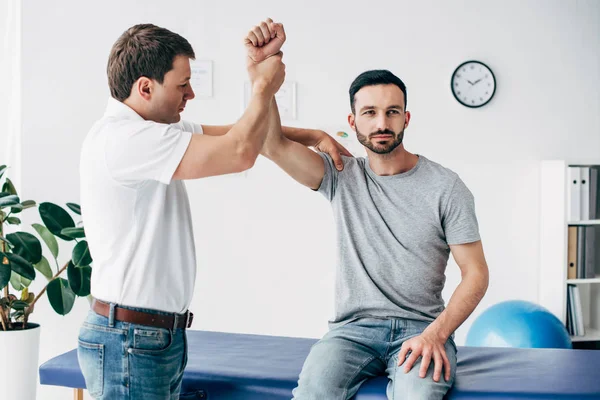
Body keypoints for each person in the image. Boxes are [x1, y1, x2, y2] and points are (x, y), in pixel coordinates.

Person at [77, 20, 351, 399]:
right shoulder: (125, 140)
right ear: (145, 87)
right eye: (182, 84)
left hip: (152, 335)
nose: (190, 93)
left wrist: (311, 132)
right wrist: (262, 86)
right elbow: (240, 152)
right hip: (131, 338)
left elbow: (245, 135)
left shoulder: (152, 129)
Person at [253, 32, 490, 398]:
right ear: (353, 121)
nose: (382, 122)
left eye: (392, 112)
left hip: (422, 329)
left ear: (406, 117)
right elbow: (266, 141)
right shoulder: (341, 175)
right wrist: (264, 76)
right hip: (352, 331)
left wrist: (436, 335)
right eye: (370, 113)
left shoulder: (446, 186)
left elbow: (476, 273)